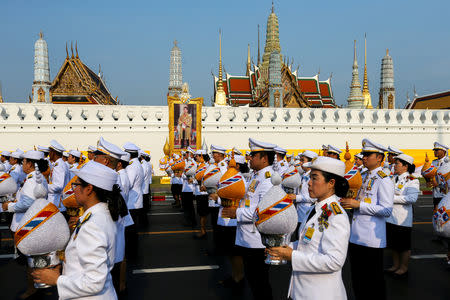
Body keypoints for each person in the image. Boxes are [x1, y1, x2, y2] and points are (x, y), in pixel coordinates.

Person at [32, 161, 128, 299]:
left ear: (89, 189)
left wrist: (56, 280)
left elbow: (94, 282)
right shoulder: (103, 214)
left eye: (76, 185)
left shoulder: (92, 225)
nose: (73, 190)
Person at [268, 156, 350, 300]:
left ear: (331, 183)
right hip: (301, 290)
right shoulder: (315, 208)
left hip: (320, 294)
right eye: (310, 178)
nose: (309, 184)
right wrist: (282, 247)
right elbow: (306, 243)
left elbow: (334, 261)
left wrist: (291, 255)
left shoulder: (336, 216)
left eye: (314, 178)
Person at [222, 138, 275, 300]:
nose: (249, 158)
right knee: (253, 281)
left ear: (264, 158)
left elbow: (264, 211)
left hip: (257, 241)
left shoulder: (268, 179)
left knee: (260, 283)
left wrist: (236, 213)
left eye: (253, 155)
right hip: (248, 237)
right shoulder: (256, 176)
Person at [340, 139, 394, 300]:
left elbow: (386, 210)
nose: (364, 157)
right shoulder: (363, 175)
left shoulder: (384, 179)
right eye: (363, 154)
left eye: (368, 154)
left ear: (379, 158)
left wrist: (359, 205)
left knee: (373, 282)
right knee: (357, 280)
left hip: (371, 239)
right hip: (356, 236)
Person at [2, 150, 48, 299]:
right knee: (35, 258)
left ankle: (32, 289)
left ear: (30, 164)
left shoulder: (32, 179)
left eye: (24, 162)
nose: (22, 164)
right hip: (35, 222)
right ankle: (39, 286)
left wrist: (9, 206)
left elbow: (27, 204)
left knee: (31, 259)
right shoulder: (38, 178)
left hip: (28, 224)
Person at [385, 154, 420, 278]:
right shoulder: (392, 178)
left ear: (405, 166)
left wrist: (390, 198)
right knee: (393, 244)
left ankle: (404, 267)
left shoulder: (412, 180)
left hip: (402, 219)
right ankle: (395, 265)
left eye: (397, 163)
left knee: (403, 246)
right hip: (390, 217)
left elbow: (412, 198)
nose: (394, 165)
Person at [293, 150, 318, 238]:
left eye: (303, 160)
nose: (300, 163)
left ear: (310, 162)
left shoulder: (312, 177)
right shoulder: (303, 175)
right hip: (299, 213)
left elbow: (314, 197)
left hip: (306, 212)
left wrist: (297, 197)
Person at [48, 140, 71, 213]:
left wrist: (44, 186)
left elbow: (58, 186)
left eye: (50, 152)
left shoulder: (59, 166)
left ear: (53, 153)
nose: (49, 154)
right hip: (57, 203)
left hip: (57, 204)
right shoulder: (59, 164)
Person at [431, 142, 449, 210]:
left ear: (443, 151)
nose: (435, 152)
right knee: (436, 213)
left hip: (446, 193)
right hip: (436, 193)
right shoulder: (434, 162)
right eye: (434, 150)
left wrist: (438, 184)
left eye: (437, 150)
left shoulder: (448, 162)